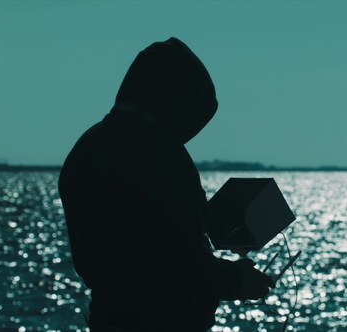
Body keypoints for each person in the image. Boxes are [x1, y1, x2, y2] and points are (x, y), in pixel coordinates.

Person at [58, 37, 275, 332]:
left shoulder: (89, 146)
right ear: (178, 103)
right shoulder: (154, 154)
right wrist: (236, 279)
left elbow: (150, 247)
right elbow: (172, 267)